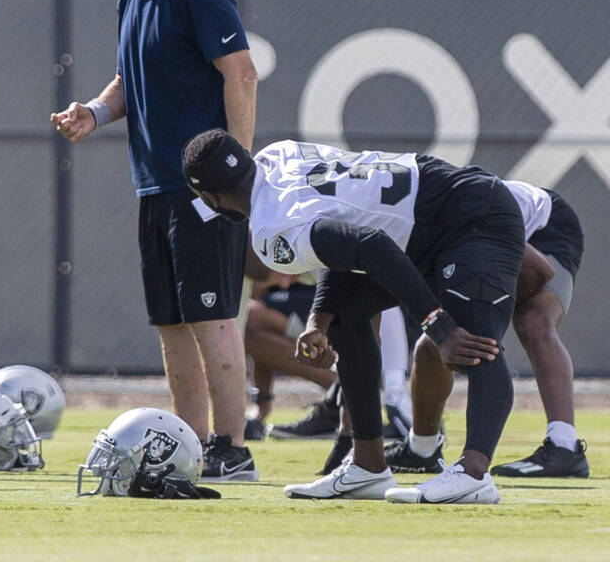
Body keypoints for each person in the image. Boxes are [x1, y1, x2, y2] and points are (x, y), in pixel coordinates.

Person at [182, 129, 524, 504]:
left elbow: (368, 244)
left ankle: (474, 472)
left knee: (473, 337)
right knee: (344, 317)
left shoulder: (269, 231)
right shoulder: (278, 154)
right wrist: (319, 321)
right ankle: (368, 465)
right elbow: (342, 232)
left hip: (470, 213)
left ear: (211, 198)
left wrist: (438, 325)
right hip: (420, 220)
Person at [53, 0, 259, 481]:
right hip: (155, 186)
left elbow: (241, 75)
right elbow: (128, 78)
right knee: (171, 321)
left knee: (211, 313)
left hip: (203, 190)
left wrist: (234, 171)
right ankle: (192, 445)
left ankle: (232, 448)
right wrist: (94, 110)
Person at [386, 179, 588, 479]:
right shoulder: (391, 232)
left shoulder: (453, 216)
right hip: (483, 243)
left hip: (545, 230)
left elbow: (541, 270)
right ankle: (422, 449)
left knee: (532, 321)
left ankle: (564, 446)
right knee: (435, 341)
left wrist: (492, 315)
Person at [242, 250, 336, 439]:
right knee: (253, 334)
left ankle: (345, 390)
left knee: (247, 315)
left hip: (318, 289)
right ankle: (261, 407)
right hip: (296, 286)